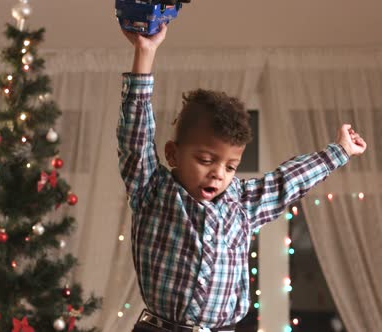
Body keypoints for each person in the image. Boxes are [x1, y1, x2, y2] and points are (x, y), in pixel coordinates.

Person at [117, 24, 367, 332]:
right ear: (172, 154)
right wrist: (145, 53)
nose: (218, 174)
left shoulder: (242, 205)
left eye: (230, 166)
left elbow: (288, 181)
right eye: (205, 160)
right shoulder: (152, 190)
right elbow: (135, 137)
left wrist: (340, 150)